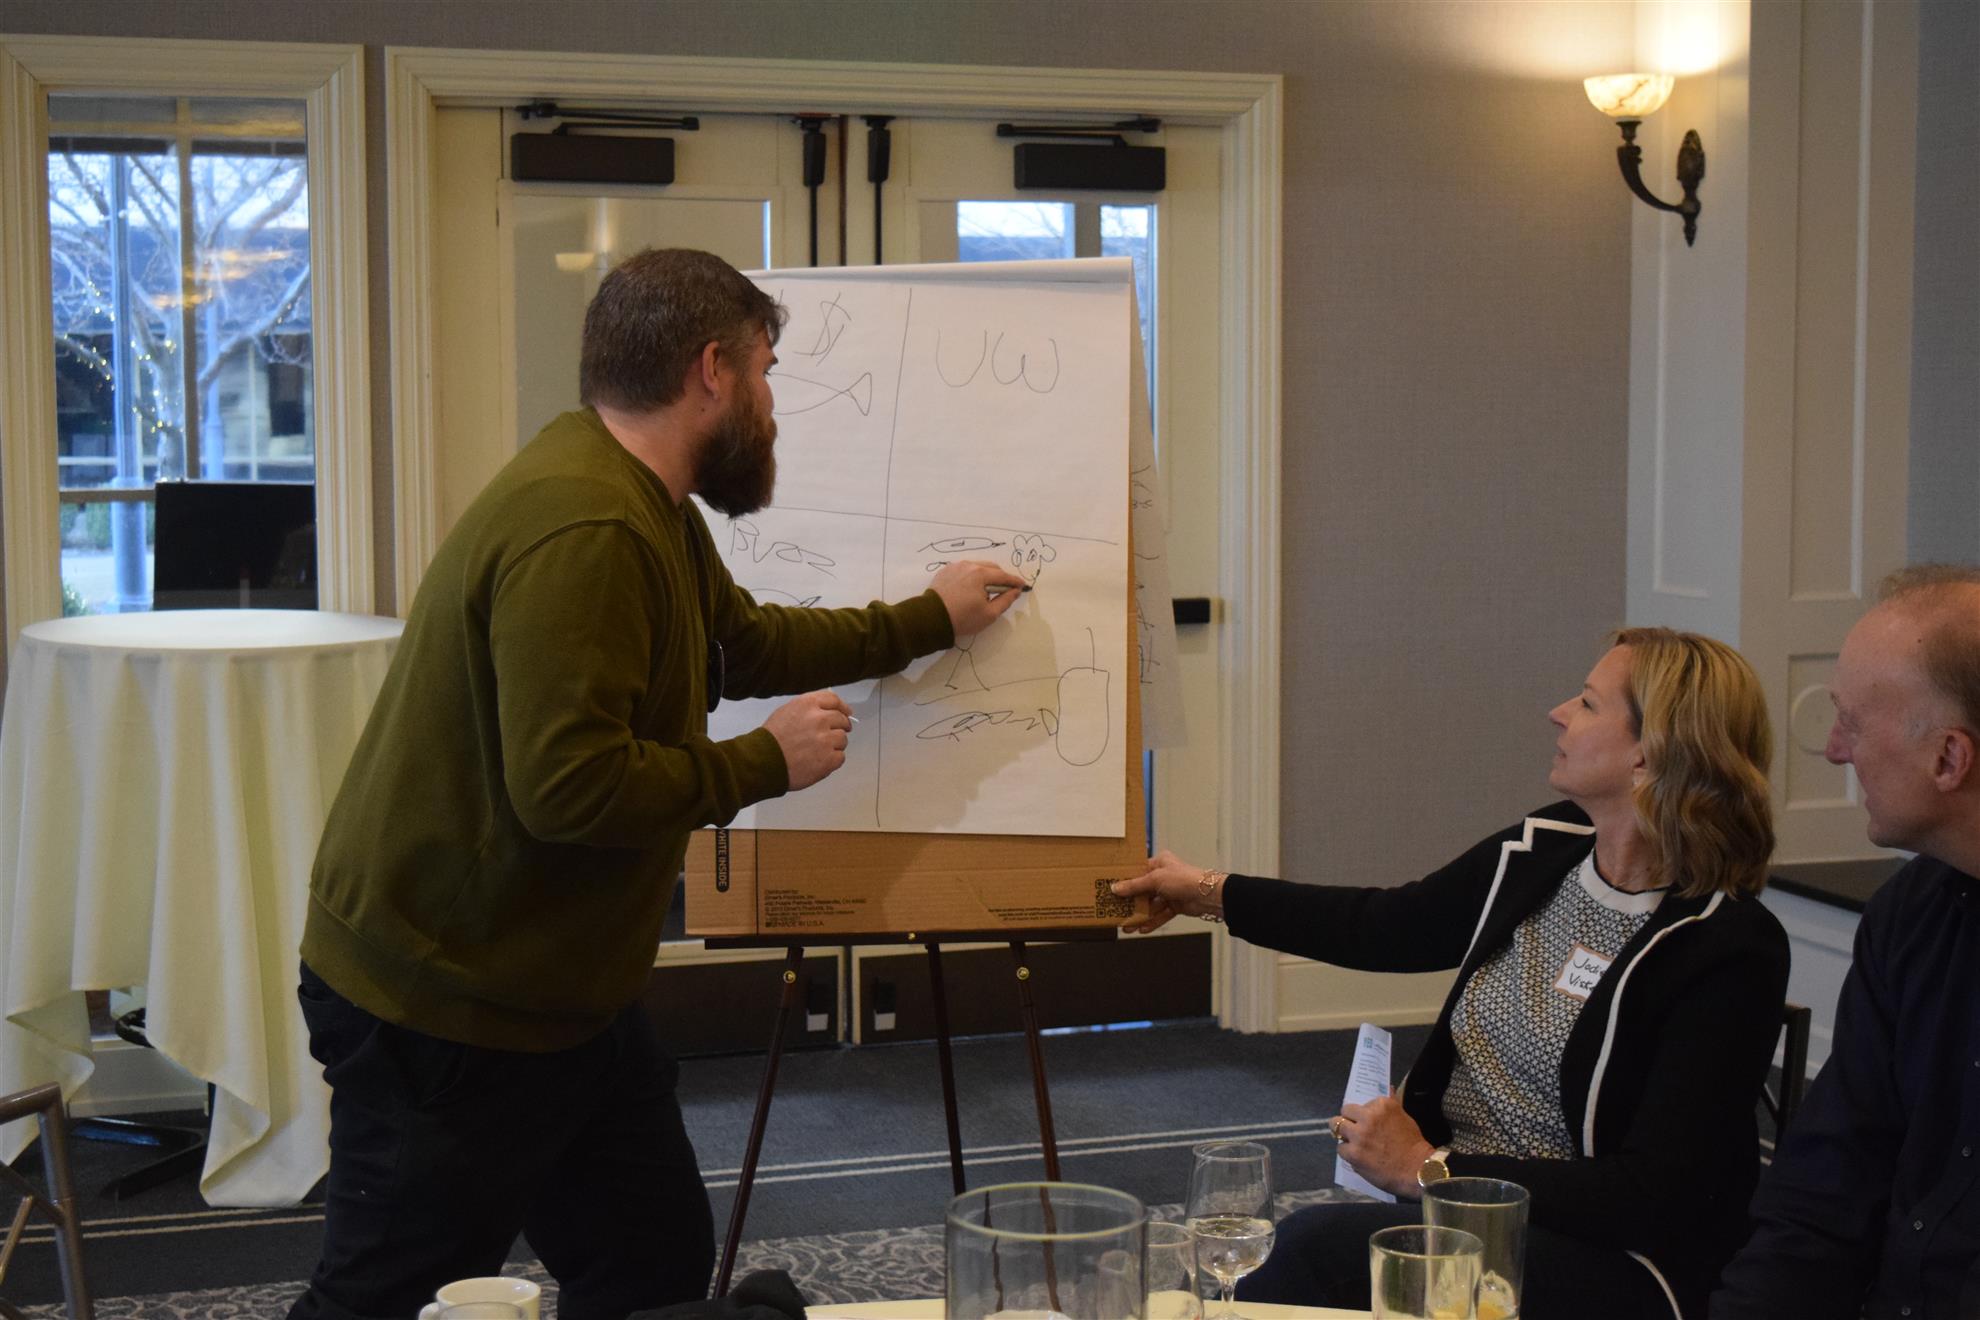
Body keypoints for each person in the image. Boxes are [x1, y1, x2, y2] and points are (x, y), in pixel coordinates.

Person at [287, 248, 1027, 1320]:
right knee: (383, 1298)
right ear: (711, 371)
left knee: (649, 1266)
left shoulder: (645, 501)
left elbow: (744, 643)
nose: (773, 405)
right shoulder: (589, 526)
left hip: (556, 991)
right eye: (765, 373)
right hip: (450, 1002)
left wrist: (926, 621)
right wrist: (763, 762)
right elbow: (567, 788)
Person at [1113, 628, 1789, 1320]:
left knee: (1314, 1252)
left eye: (1588, 704)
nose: (1558, 712)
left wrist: (1429, 1170)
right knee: (1314, 1257)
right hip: (1459, 1213)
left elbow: (1650, 1194)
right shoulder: (1546, 849)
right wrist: (1206, 892)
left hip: (1613, 1258)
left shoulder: (1726, 947)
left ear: (1649, 753)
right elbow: (1387, 925)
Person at [1711, 565, 1980, 1320]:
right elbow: (1824, 1191)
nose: (1834, 751)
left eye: (1852, 723)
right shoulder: (1909, 916)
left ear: (1948, 758)